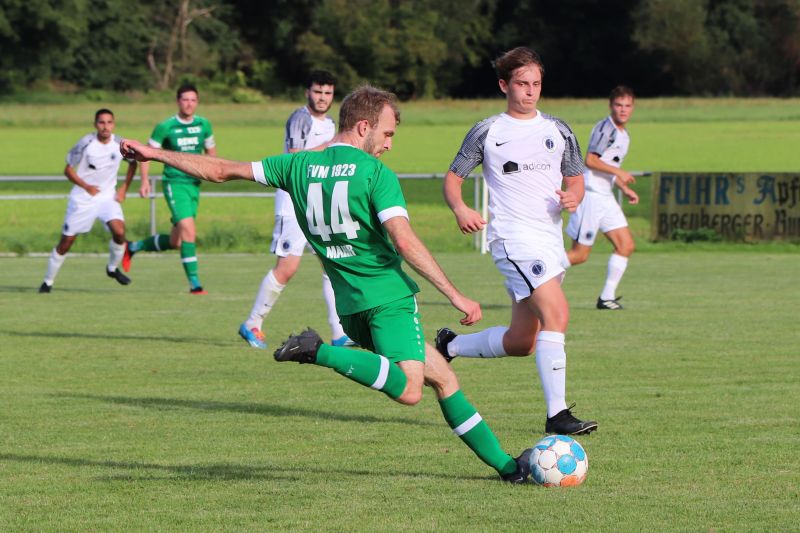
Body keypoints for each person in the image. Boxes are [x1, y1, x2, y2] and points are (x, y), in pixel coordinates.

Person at [120, 86, 532, 483]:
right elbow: (404, 241)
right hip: (388, 299)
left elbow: (220, 170)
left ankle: (508, 468)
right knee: (409, 389)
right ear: (363, 126)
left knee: (442, 377)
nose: (389, 144)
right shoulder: (375, 173)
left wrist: (154, 153)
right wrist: (456, 294)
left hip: (349, 307)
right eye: (387, 133)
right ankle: (318, 351)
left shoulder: (297, 166)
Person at [437, 47, 598, 436]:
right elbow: (453, 179)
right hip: (513, 239)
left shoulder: (558, 130)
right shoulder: (487, 131)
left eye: (536, 83)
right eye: (522, 83)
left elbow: (575, 179)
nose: (530, 91)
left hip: (549, 241)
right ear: (503, 85)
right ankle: (557, 415)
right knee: (557, 314)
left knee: (523, 341)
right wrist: (460, 208)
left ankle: (450, 346)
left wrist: (574, 197)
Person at [239, 70, 355, 350]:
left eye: (328, 93)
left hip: (317, 203)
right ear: (307, 92)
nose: (323, 97)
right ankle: (252, 323)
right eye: (318, 92)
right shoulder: (300, 119)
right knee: (287, 268)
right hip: (292, 202)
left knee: (332, 264)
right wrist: (329, 147)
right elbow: (294, 158)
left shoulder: (331, 123)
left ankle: (339, 333)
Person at [123, 84, 216, 294]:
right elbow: (145, 153)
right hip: (175, 183)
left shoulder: (204, 125)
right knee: (189, 232)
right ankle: (195, 285)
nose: (189, 104)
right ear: (177, 101)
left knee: (176, 241)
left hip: (194, 185)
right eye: (185, 99)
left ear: (197, 102)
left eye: (193, 100)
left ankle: (133, 247)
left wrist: (213, 172)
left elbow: (211, 153)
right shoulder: (165, 126)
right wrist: (144, 181)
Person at [39, 109, 137, 293]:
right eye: (101, 122)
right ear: (95, 125)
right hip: (83, 199)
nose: (105, 126)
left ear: (114, 124)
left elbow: (133, 163)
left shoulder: (120, 143)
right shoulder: (86, 143)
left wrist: (124, 188)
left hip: (107, 198)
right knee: (66, 243)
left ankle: (112, 269)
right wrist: (86, 186)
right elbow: (68, 170)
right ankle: (48, 282)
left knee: (119, 232)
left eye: (109, 122)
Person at [565, 85, 638, 310]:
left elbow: (607, 166)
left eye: (627, 106)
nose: (623, 110)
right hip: (590, 195)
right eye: (619, 105)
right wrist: (619, 172)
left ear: (633, 108)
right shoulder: (606, 129)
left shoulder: (624, 135)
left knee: (626, 245)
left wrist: (623, 187)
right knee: (579, 255)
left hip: (605, 196)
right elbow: (590, 160)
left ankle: (606, 298)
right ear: (610, 106)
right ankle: (532, 276)